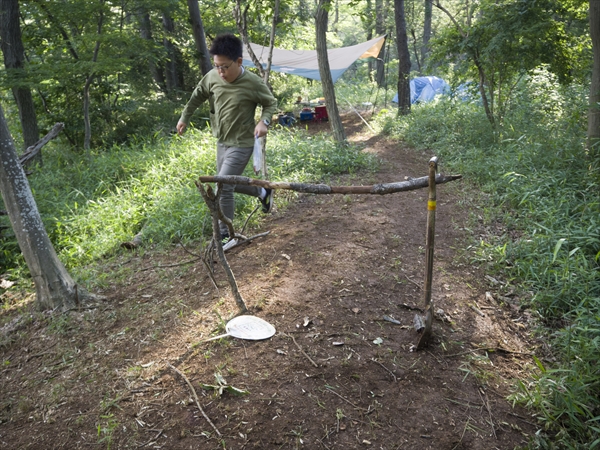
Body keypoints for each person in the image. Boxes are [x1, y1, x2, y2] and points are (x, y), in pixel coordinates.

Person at [177, 33, 277, 245]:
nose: (220, 72)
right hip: (222, 141)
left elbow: (270, 104)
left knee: (223, 185)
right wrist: (185, 117)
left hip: (242, 143)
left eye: (224, 67)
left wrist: (264, 122)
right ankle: (262, 191)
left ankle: (226, 235)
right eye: (216, 66)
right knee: (227, 183)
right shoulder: (212, 77)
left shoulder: (252, 82)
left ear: (239, 62)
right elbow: (197, 95)